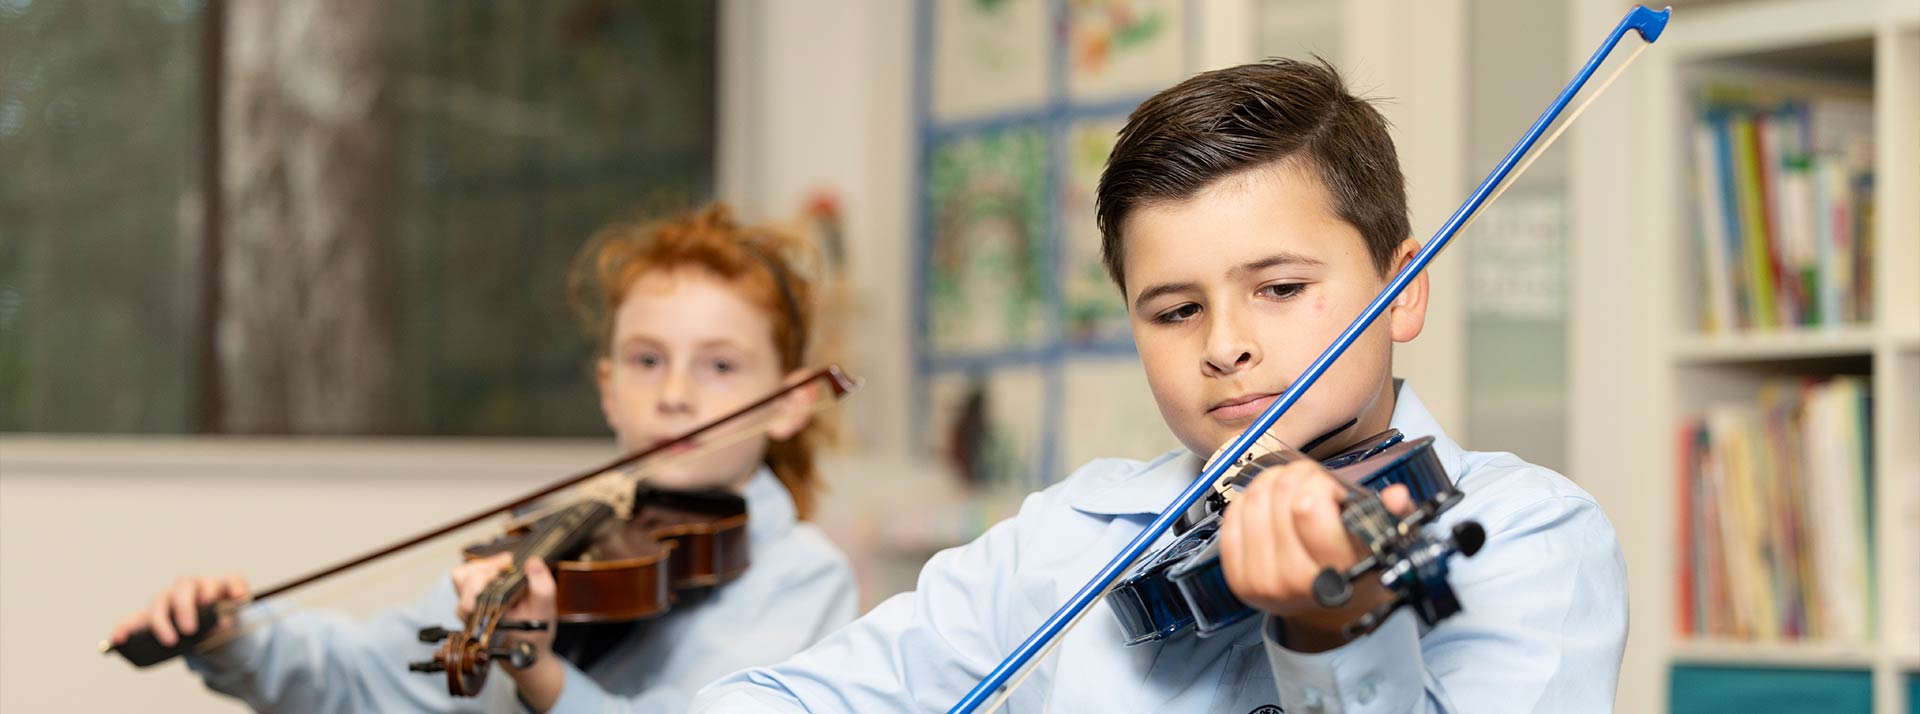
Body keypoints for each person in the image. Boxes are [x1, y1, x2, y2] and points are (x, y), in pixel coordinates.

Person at [691, 58, 1628, 713]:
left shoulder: (1527, 536)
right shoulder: (1071, 539)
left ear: (1403, 289)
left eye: (1281, 289)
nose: (1225, 346)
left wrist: (1331, 631)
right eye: (1175, 310)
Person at [106, 205, 859, 713]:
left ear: (792, 400)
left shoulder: (800, 577)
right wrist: (238, 637)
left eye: (720, 367)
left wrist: (541, 673)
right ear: (607, 389)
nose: (675, 395)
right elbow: (374, 681)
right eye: (646, 360)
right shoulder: (555, 536)